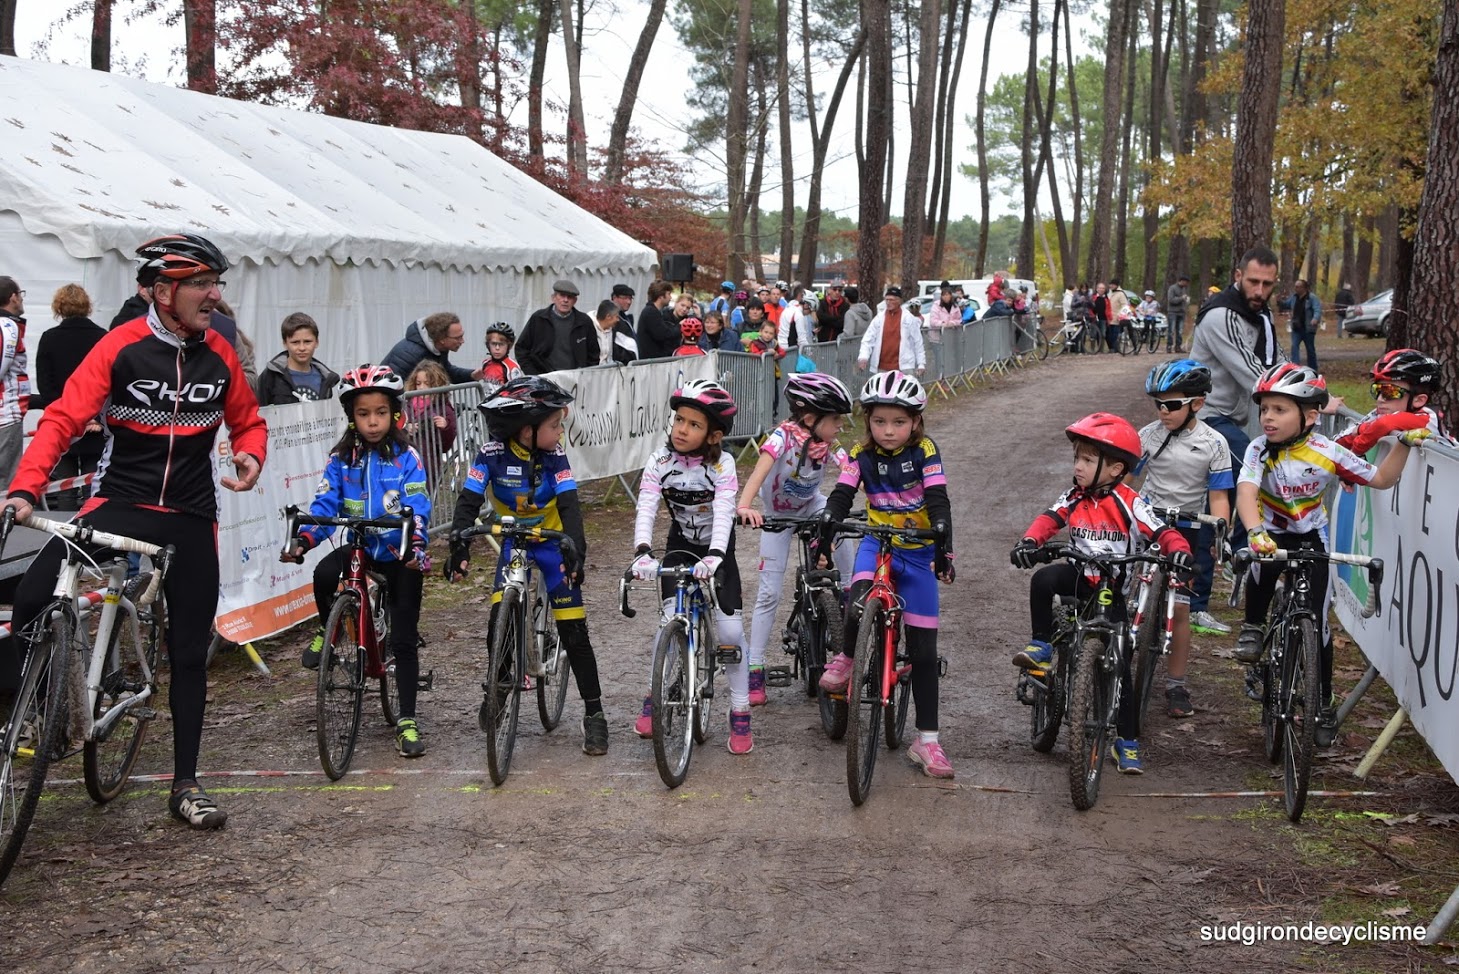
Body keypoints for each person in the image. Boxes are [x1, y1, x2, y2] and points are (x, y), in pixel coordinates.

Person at [5, 233, 266, 829]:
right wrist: (25, 487)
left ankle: (186, 783)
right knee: (30, 592)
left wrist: (251, 455)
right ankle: (45, 716)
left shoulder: (220, 352)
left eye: (216, 283)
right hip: (120, 499)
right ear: (166, 289)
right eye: (202, 283)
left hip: (192, 514)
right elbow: (65, 419)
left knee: (190, 652)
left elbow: (248, 421)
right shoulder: (120, 347)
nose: (214, 294)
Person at [1233, 363, 1425, 747]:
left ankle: (1322, 700)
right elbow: (1247, 493)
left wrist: (1404, 443)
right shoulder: (1258, 449)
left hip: (1311, 538)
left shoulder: (1327, 451)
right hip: (1271, 531)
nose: (1268, 418)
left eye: (1279, 410)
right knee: (1263, 569)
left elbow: (1382, 480)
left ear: (1310, 416)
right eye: (1265, 409)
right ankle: (1253, 626)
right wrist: (1254, 532)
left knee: (1318, 623)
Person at [1009, 413, 1193, 775]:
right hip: (1080, 576)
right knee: (1043, 580)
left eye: (1087, 460)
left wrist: (1179, 550)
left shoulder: (1129, 501)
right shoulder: (1074, 496)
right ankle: (1042, 646)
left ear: (1115, 468)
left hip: (1112, 590)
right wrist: (1031, 541)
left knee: (1122, 669)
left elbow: (1160, 532)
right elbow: (1050, 519)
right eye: (1076, 458)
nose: (1077, 466)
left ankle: (1127, 742)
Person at [445, 376, 609, 755]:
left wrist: (575, 554)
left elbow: (570, 506)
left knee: (575, 632)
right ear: (526, 430)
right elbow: (468, 500)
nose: (560, 431)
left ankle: (595, 714)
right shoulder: (490, 455)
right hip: (514, 544)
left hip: (552, 544)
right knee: (497, 623)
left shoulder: (556, 457)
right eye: (555, 425)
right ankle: (500, 687)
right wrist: (459, 544)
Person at [282, 365, 431, 757]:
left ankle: (408, 721)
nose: (372, 422)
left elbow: (417, 504)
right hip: (361, 547)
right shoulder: (341, 458)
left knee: (403, 638)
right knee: (322, 573)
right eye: (363, 414)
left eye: (380, 413)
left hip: (399, 554)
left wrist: (416, 544)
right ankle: (328, 631)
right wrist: (303, 539)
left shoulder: (406, 457)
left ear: (394, 414)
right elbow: (325, 503)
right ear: (352, 416)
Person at [818, 371, 956, 778]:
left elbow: (938, 500)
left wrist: (944, 546)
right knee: (858, 599)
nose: (888, 430)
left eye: (898, 422)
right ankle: (847, 657)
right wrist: (829, 522)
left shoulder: (926, 450)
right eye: (879, 421)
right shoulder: (860, 451)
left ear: (915, 422)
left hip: (918, 554)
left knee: (925, 652)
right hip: (878, 545)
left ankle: (927, 741)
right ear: (868, 421)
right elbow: (842, 494)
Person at [627, 380, 754, 753]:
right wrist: (642, 551)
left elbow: (725, 510)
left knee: (730, 632)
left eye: (693, 425)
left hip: (717, 547)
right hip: (680, 544)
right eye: (679, 420)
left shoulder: (724, 464)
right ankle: (655, 696)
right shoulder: (660, 461)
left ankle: (740, 710)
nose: (681, 429)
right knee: (669, 620)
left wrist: (715, 556)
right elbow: (647, 505)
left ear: (714, 435)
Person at [735, 374, 855, 705]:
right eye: (835, 420)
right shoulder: (782, 438)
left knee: (840, 523)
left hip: (811, 506)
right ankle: (755, 667)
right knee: (770, 592)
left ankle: (847, 594)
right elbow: (759, 473)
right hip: (776, 515)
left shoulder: (827, 443)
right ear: (810, 418)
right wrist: (745, 506)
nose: (839, 427)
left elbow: (850, 469)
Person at [1132, 361, 1233, 718]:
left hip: (1190, 526)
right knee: (1126, 588)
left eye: (1172, 405)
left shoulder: (1214, 443)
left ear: (1197, 404)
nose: (1163, 411)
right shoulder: (1147, 436)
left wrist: (1220, 531)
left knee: (1181, 608)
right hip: (1149, 520)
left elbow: (1219, 497)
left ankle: (1176, 685)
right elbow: (1123, 480)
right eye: (1159, 403)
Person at [1188, 245, 1285, 593]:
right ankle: (1240, 556)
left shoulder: (1258, 317)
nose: (1260, 291)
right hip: (1205, 417)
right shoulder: (1221, 316)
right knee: (1252, 464)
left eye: (1268, 284)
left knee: (1210, 508)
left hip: (1230, 420)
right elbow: (1255, 375)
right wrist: (1304, 399)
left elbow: (1279, 363)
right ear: (1238, 276)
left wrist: (1312, 388)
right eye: (1254, 281)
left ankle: (1207, 584)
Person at [31, 284, 106, 510]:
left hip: (63, 421)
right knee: (93, 486)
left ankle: (63, 540)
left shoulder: (49, 338)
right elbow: (110, 383)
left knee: (64, 488)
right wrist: (92, 417)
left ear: (59, 307)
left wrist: (69, 415)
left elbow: (46, 386)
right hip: (95, 423)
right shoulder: (103, 337)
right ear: (87, 306)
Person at [1333, 349, 1453, 453]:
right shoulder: (1383, 411)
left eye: (1390, 392)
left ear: (1418, 400)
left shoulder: (1427, 419)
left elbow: (1384, 424)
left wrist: (1355, 454)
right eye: (1377, 390)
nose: (1380, 399)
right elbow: (1338, 442)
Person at [255, 312, 340, 405]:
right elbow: (258, 411)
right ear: (285, 343)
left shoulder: (326, 379)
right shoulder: (271, 376)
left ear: (317, 342)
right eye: (295, 342)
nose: (302, 348)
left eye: (307, 342)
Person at [516, 280, 597, 374]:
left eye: (570, 297)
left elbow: (594, 354)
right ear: (553, 298)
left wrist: (586, 375)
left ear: (575, 301)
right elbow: (521, 348)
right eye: (562, 295)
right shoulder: (539, 318)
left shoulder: (584, 322)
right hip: (544, 378)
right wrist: (532, 373)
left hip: (575, 380)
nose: (565, 300)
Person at [382, 311, 482, 385]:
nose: (462, 341)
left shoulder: (439, 348)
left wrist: (472, 375)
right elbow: (393, 386)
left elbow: (445, 372)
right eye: (458, 338)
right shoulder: (410, 354)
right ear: (442, 339)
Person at [404, 360, 458, 487]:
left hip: (428, 463)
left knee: (426, 495)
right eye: (418, 383)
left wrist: (445, 427)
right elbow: (395, 427)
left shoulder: (444, 408)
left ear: (437, 384)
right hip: (406, 460)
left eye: (427, 384)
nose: (422, 388)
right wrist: (406, 428)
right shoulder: (407, 404)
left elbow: (446, 445)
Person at [0, 276, 30, 488]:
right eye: (21, 294)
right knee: (6, 487)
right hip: (5, 416)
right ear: (13, 297)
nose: (21, 300)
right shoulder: (7, 326)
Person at [858, 286, 926, 375]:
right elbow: (868, 339)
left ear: (899, 301)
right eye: (887, 300)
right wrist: (863, 357)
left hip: (904, 368)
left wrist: (921, 364)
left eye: (892, 300)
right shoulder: (879, 318)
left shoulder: (909, 318)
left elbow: (918, 342)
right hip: (882, 368)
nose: (888, 302)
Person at [636, 281, 678, 360]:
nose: (670, 297)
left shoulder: (655, 312)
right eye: (669, 294)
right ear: (661, 296)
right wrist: (680, 327)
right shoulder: (651, 313)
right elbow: (663, 335)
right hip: (650, 362)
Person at [1285, 278, 1321, 371]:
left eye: (1298, 287)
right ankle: (1295, 368)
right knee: (1294, 346)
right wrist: (1279, 301)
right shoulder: (1294, 297)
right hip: (1296, 328)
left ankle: (1313, 369)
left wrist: (1315, 319)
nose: (1296, 289)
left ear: (1304, 288)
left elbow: (1317, 309)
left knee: (1310, 349)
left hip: (1308, 328)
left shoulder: (1312, 298)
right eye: (1295, 287)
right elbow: (1286, 304)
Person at [480, 323, 524, 394]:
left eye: (501, 344)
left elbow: (518, 392)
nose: (497, 348)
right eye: (494, 344)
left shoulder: (512, 367)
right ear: (488, 345)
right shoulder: (485, 363)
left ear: (508, 346)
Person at [592, 299, 638, 365]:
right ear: (608, 317)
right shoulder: (589, 328)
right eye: (616, 317)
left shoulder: (613, 331)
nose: (618, 320)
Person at [1165, 276, 1190, 352]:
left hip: (1181, 312)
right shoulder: (1172, 288)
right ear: (1181, 281)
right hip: (1173, 312)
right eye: (1185, 282)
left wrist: (1186, 301)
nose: (1186, 284)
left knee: (1180, 330)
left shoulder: (1184, 289)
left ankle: (1178, 346)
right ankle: (1169, 346)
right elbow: (1171, 300)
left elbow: (1183, 299)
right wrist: (1181, 298)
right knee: (1171, 330)